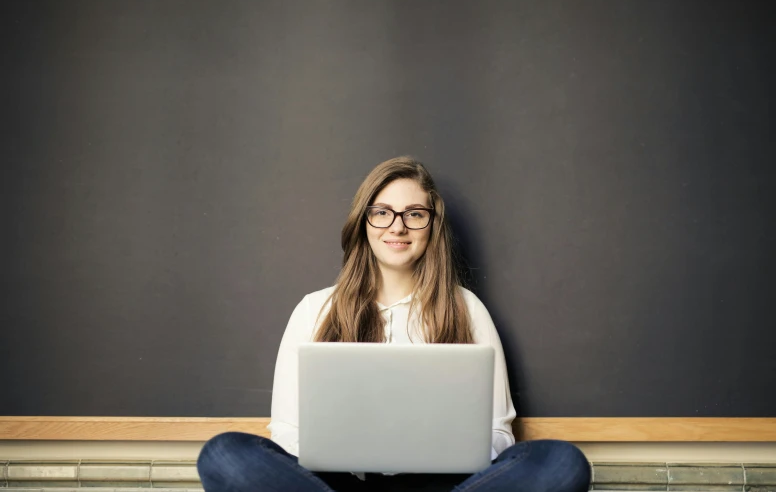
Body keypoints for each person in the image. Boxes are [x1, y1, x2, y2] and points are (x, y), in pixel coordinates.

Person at [197, 157, 590, 492]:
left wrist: (440, 448)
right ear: (364, 221)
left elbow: (500, 434)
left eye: (414, 214)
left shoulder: (465, 308)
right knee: (224, 453)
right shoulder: (315, 309)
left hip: (444, 484)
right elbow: (286, 430)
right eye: (382, 212)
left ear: (431, 225)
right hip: (338, 484)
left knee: (561, 461)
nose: (397, 227)